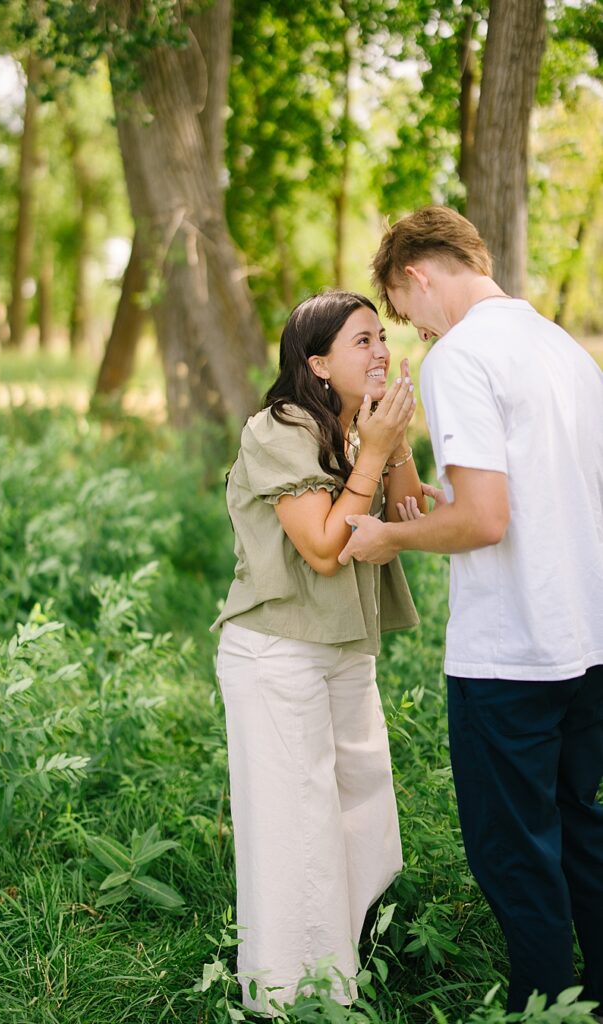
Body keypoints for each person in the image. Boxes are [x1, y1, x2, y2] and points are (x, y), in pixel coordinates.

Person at [338, 206, 603, 1015]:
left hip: (509, 655)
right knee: (578, 832)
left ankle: (542, 1003)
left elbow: (485, 522)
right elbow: (532, 499)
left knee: (510, 849)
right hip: (584, 639)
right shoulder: (566, 350)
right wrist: (428, 500)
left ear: (416, 275)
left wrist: (386, 536)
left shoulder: (460, 356)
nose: (406, 332)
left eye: (401, 310)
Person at [211, 290, 424, 1015]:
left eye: (381, 337)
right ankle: (287, 997)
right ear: (317, 361)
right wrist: (373, 452)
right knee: (293, 825)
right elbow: (326, 548)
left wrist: (391, 445)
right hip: (277, 653)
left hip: (341, 648)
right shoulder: (277, 429)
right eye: (361, 340)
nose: (379, 351)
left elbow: (406, 514)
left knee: (362, 810)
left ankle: (343, 964)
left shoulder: (350, 425)